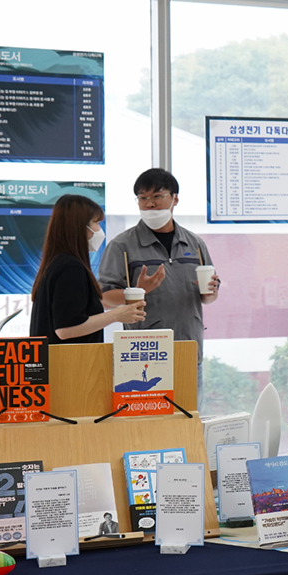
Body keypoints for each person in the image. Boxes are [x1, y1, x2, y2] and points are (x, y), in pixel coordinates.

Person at [98, 169, 219, 406]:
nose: (150, 204)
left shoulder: (194, 244)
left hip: (188, 350)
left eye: (157, 196)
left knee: (189, 425)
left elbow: (206, 298)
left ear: (175, 199)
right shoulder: (121, 245)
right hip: (143, 354)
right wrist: (137, 291)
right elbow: (103, 298)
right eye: (143, 198)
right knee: (145, 427)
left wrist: (211, 292)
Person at [30, 194, 144, 344]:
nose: (99, 230)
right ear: (80, 227)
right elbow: (66, 328)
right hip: (69, 363)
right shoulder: (71, 268)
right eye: (96, 223)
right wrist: (116, 315)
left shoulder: (56, 263)